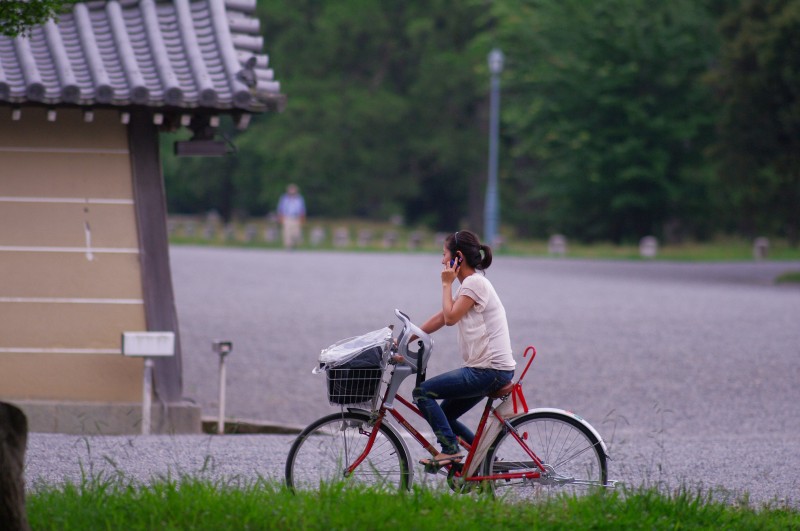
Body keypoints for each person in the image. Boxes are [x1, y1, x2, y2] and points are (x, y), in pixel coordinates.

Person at [413, 230, 516, 468]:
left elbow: (449, 318)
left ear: (458, 257)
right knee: (446, 416)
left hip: (488, 371)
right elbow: (441, 316)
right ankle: (485, 463)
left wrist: (446, 284)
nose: (441, 261)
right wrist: (409, 337)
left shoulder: (475, 283)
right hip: (489, 370)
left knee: (423, 393)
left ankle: (450, 450)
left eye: (444, 255)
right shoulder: (471, 285)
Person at [276, 184, 306, 249]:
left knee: (296, 233)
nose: (292, 191)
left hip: (296, 217)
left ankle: (294, 244)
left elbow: (302, 208)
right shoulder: (284, 198)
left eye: (293, 190)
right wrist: (280, 217)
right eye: (291, 190)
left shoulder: (299, 198)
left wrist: (302, 217)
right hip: (287, 217)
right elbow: (280, 208)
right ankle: (288, 246)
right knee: (287, 232)